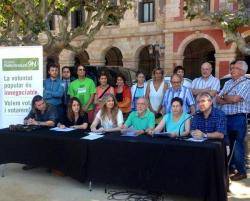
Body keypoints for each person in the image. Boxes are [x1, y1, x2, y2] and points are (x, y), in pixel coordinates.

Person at [216, 60, 250, 181]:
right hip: (225, 117)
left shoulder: (247, 84)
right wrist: (227, 98)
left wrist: (224, 97)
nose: (231, 70)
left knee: (237, 145)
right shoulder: (228, 83)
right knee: (227, 143)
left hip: (238, 117)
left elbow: (236, 99)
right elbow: (217, 99)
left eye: (234, 68)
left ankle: (241, 171)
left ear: (241, 71)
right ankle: (230, 168)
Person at [23, 95, 57, 170]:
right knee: (29, 140)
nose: (42, 105)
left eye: (43, 103)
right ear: (35, 106)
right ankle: (33, 162)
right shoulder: (33, 110)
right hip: (39, 130)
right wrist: (28, 121)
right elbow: (26, 119)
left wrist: (37, 123)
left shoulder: (51, 107)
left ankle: (50, 164)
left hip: (51, 130)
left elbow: (52, 123)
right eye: (39, 105)